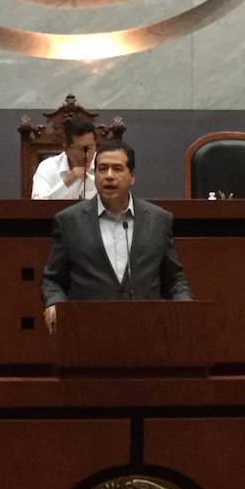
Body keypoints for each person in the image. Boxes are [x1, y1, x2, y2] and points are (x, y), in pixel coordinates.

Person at [41, 140, 192, 334]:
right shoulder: (70, 220)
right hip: (88, 331)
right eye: (102, 169)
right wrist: (54, 303)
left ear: (132, 176)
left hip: (147, 330)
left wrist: (185, 306)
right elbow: (52, 280)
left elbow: (174, 279)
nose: (109, 176)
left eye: (117, 169)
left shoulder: (158, 220)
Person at [31, 120, 97, 200]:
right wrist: (67, 181)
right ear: (66, 149)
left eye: (90, 148)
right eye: (80, 149)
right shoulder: (48, 167)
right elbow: (39, 204)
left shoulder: (104, 164)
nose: (86, 155)